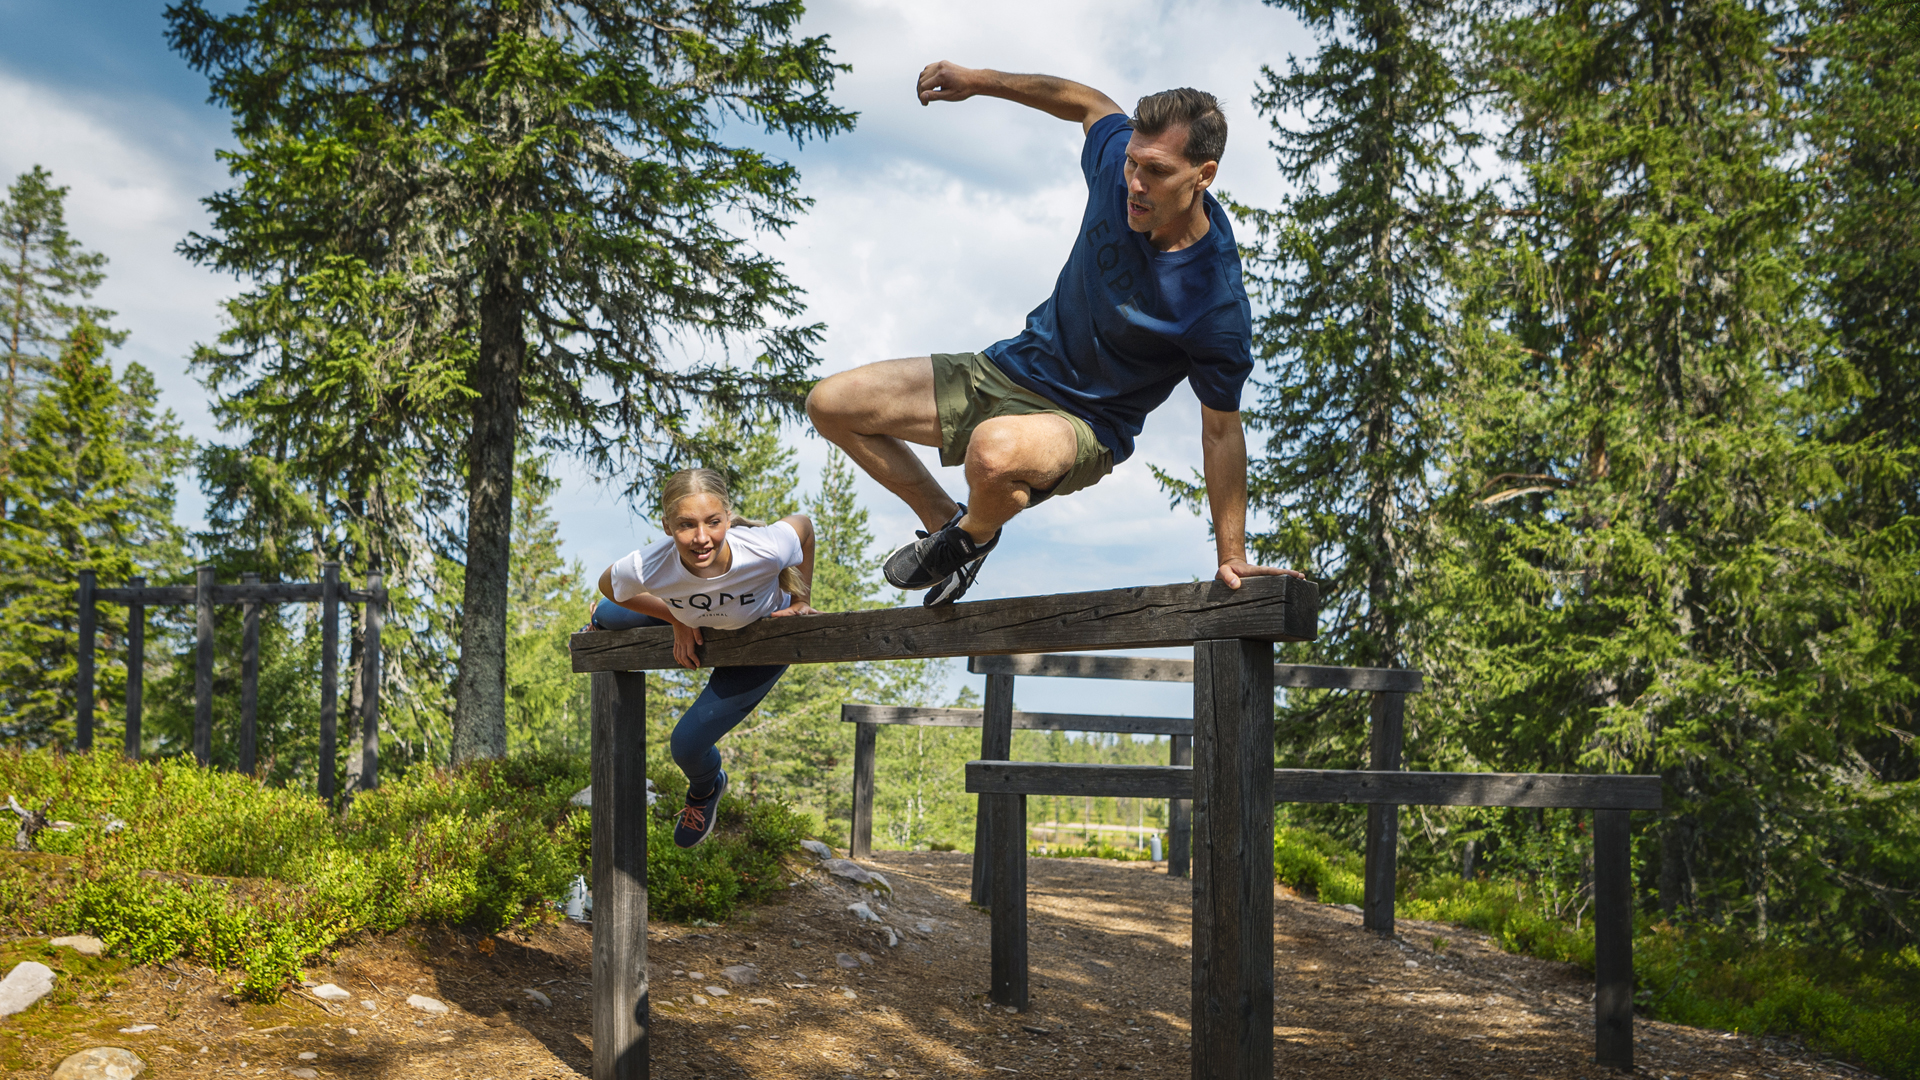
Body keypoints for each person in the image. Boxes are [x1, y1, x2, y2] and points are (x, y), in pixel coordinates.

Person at [807, 63, 1304, 605]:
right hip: (1009, 367)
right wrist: (977, 81)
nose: (1135, 185)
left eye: (1156, 172)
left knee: (991, 453)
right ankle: (946, 525)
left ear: (1203, 175)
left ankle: (974, 535)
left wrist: (1231, 553)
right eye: (1133, 162)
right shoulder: (1118, 169)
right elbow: (1089, 103)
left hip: (1083, 425)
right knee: (830, 404)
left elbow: (1222, 431)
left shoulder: (1216, 303)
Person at [586, 468, 816, 848]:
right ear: (667, 526)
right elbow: (609, 584)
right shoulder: (651, 563)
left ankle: (705, 790)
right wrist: (676, 618)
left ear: (728, 517)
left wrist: (801, 600)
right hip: (693, 614)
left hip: (756, 645)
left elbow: (804, 527)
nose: (701, 538)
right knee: (608, 614)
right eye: (686, 525)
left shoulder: (765, 548)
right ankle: (604, 620)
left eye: (712, 522)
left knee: (687, 745)